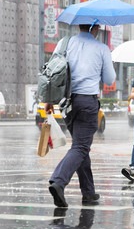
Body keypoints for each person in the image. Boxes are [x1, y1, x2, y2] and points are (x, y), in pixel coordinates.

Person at [45, 24, 116, 207]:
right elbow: (109, 79)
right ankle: (58, 181)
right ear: (96, 28)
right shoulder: (102, 48)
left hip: (66, 103)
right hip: (87, 103)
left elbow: (51, 73)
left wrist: (49, 100)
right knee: (81, 147)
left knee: (80, 146)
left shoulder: (64, 43)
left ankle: (88, 192)